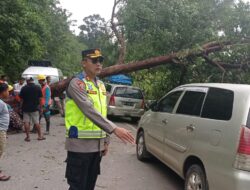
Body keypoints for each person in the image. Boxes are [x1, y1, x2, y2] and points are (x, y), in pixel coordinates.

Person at [65, 48, 135, 190]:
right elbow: (88, 110)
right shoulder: (77, 84)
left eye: (101, 60)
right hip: (79, 146)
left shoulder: (101, 85)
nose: (99, 64)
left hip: (96, 147)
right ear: (84, 63)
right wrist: (114, 128)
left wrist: (105, 140)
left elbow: (103, 113)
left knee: (89, 186)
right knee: (78, 186)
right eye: (94, 60)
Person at [19, 76, 45, 141]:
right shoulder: (38, 87)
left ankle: (28, 137)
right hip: (35, 108)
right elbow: (40, 99)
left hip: (25, 108)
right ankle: (40, 136)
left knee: (26, 122)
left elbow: (21, 99)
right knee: (36, 122)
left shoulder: (24, 88)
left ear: (27, 81)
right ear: (33, 81)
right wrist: (41, 107)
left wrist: (20, 107)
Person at [0, 82, 12, 181]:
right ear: (3, 92)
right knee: (0, 151)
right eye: (8, 91)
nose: (9, 93)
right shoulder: (0, 103)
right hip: (0, 131)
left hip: (2, 130)